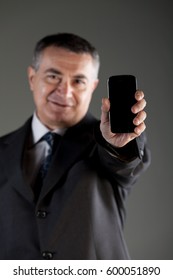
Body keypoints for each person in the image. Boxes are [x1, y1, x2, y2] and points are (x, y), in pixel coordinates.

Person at [0, 33, 151, 260]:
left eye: (78, 81)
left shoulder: (106, 142)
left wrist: (118, 145)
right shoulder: (3, 149)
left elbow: (125, 166)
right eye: (53, 76)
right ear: (32, 78)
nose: (65, 91)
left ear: (92, 87)